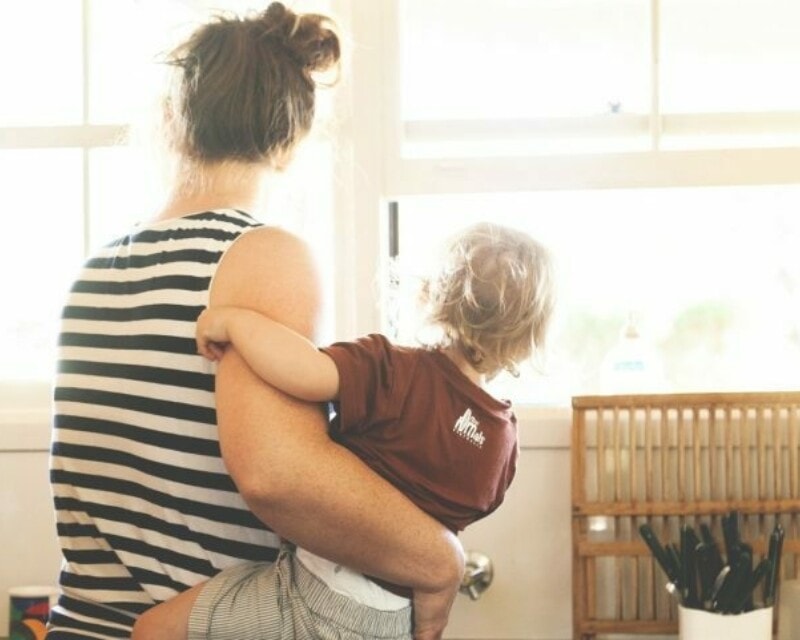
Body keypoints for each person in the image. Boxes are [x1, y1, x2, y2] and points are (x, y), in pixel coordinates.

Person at [47, 4, 465, 640]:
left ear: (174, 120)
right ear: (294, 140)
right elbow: (278, 475)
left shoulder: (95, 272)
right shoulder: (262, 253)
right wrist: (438, 558)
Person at [131, 221, 556, 640]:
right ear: (526, 336)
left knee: (152, 630)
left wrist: (236, 322)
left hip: (316, 596)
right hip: (394, 620)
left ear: (431, 293)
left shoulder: (394, 370)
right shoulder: (503, 439)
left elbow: (305, 371)